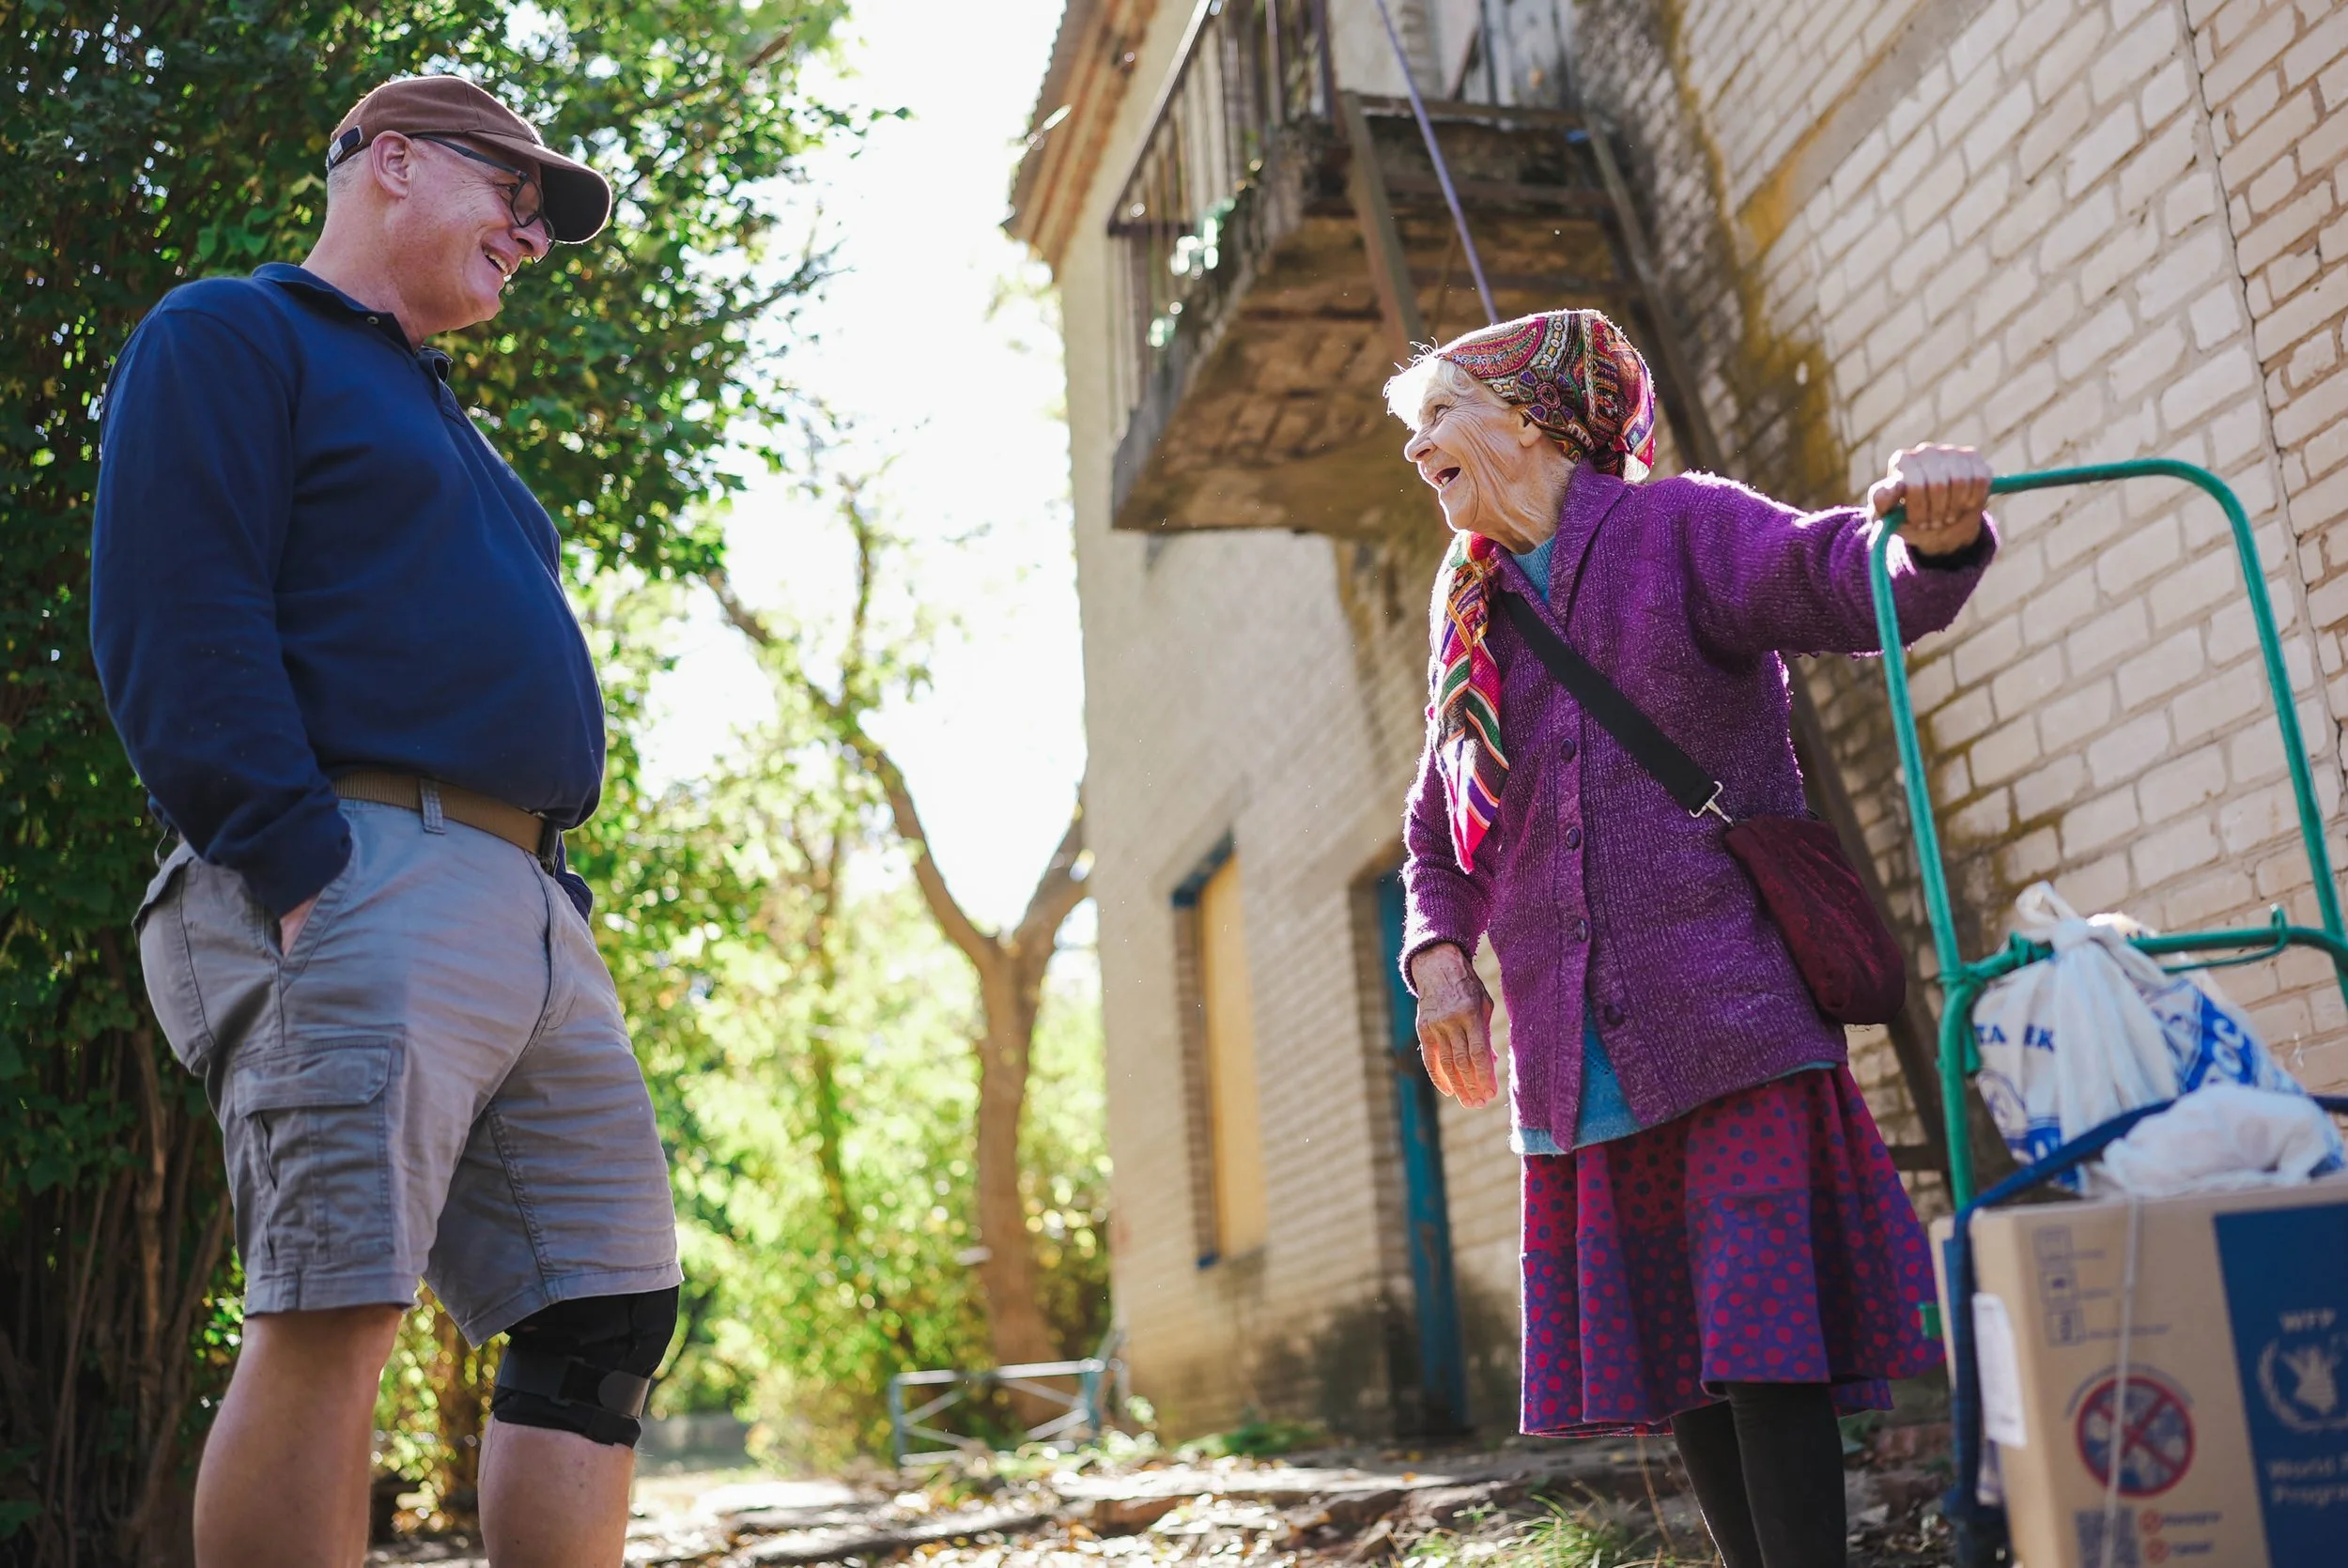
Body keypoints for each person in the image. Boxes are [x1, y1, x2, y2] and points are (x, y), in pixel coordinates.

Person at [92, 75, 679, 1567]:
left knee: (601, 1318)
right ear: (394, 164)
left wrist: (554, 899)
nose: (532, 234)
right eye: (515, 194)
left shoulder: (444, 420)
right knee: (335, 1299)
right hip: (355, 870)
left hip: (527, 901)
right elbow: (177, 616)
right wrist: (301, 865)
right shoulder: (229, 332)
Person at [1387, 310, 1992, 1568]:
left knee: (1765, 1344)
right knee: (1683, 1357)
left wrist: (1931, 542)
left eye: (1441, 413)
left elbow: (1836, 577)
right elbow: (1438, 821)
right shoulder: (1473, 613)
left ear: (1538, 417)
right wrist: (1439, 953)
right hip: (1579, 1047)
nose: (1418, 448)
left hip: (1726, 1019)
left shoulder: (1678, 528)